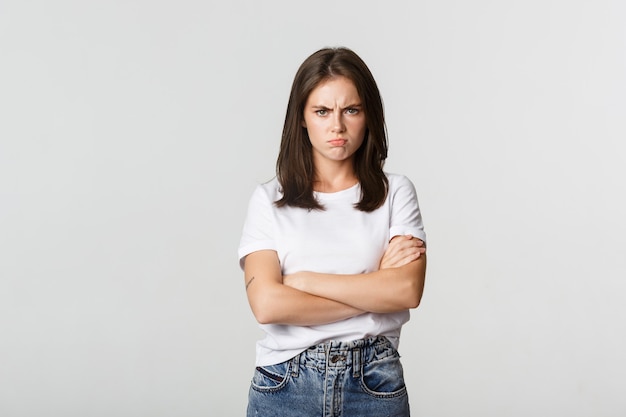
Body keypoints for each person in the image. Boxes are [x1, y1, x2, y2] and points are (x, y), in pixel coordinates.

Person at [238, 46, 427, 417]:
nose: (337, 126)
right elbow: (267, 305)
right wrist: (374, 286)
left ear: (368, 114)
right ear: (303, 118)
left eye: (351, 110)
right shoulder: (269, 200)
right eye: (322, 111)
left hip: (374, 382)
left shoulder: (396, 193)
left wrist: (303, 281)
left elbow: (406, 290)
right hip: (285, 384)